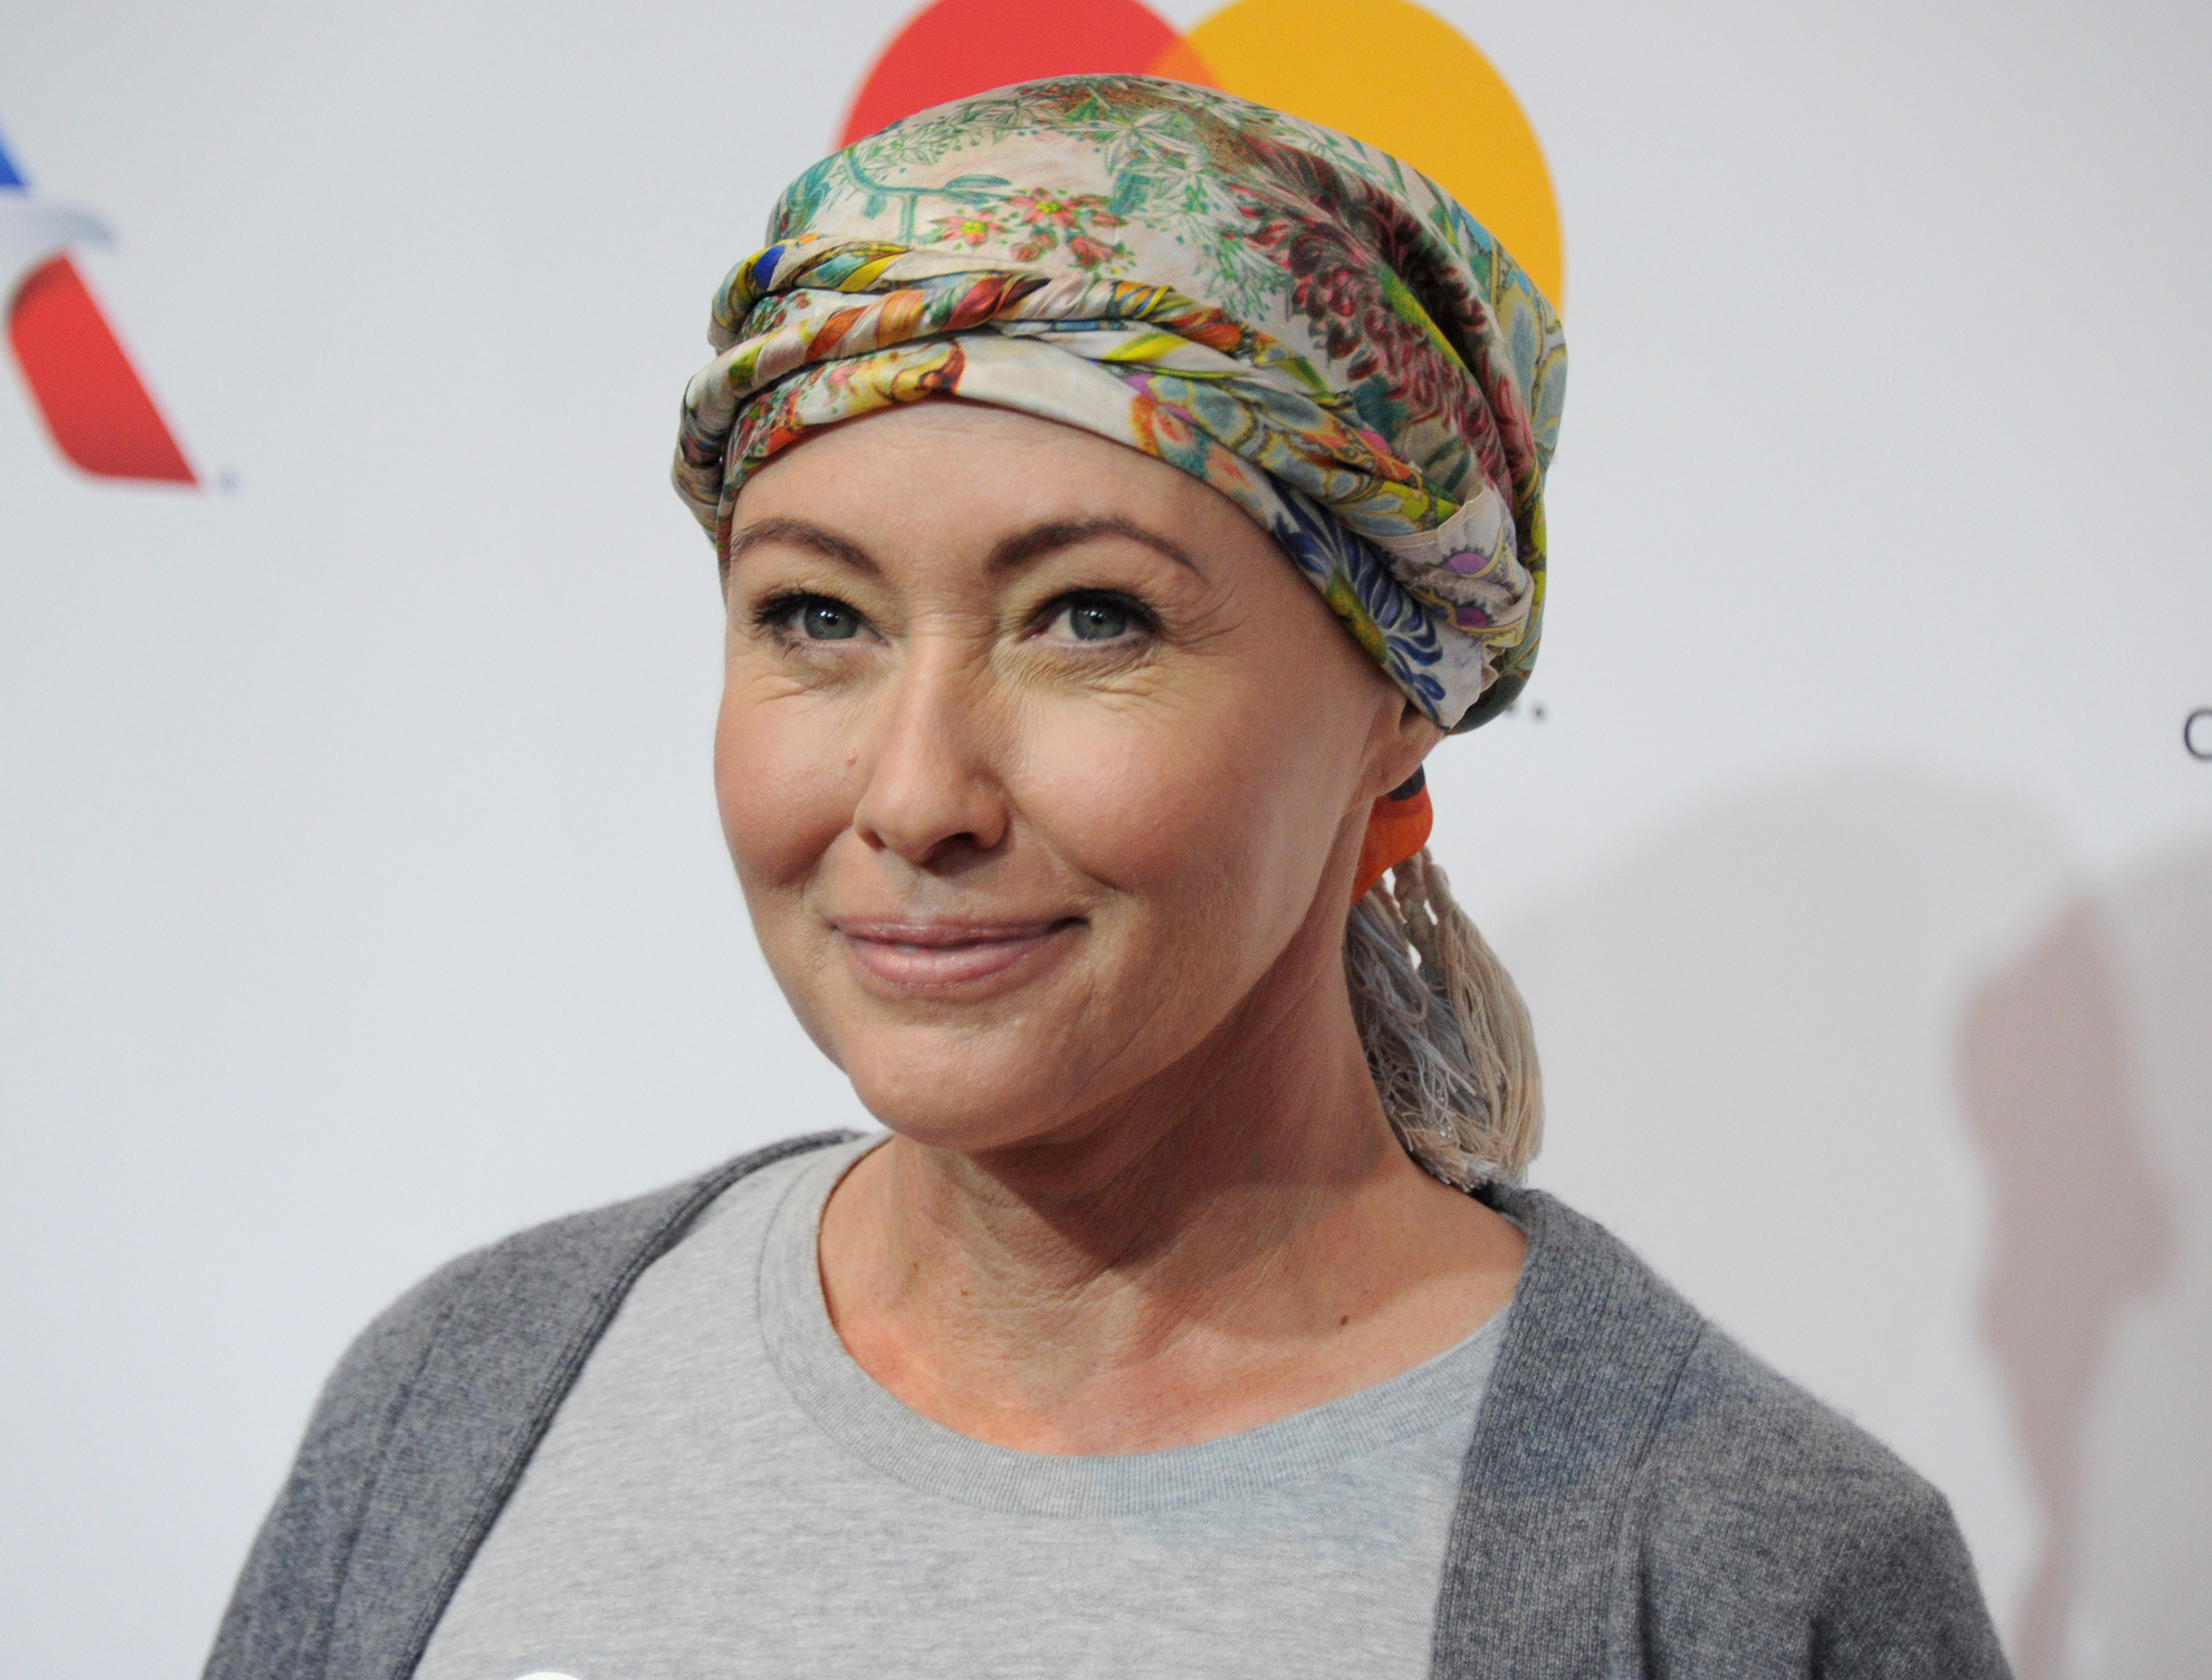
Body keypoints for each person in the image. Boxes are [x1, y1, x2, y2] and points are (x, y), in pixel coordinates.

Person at [205, 76, 2009, 1679]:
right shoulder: (462, 1402)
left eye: (1091, 618)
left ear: (1394, 709)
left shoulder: (1735, 1573)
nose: (914, 793)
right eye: (814, 615)